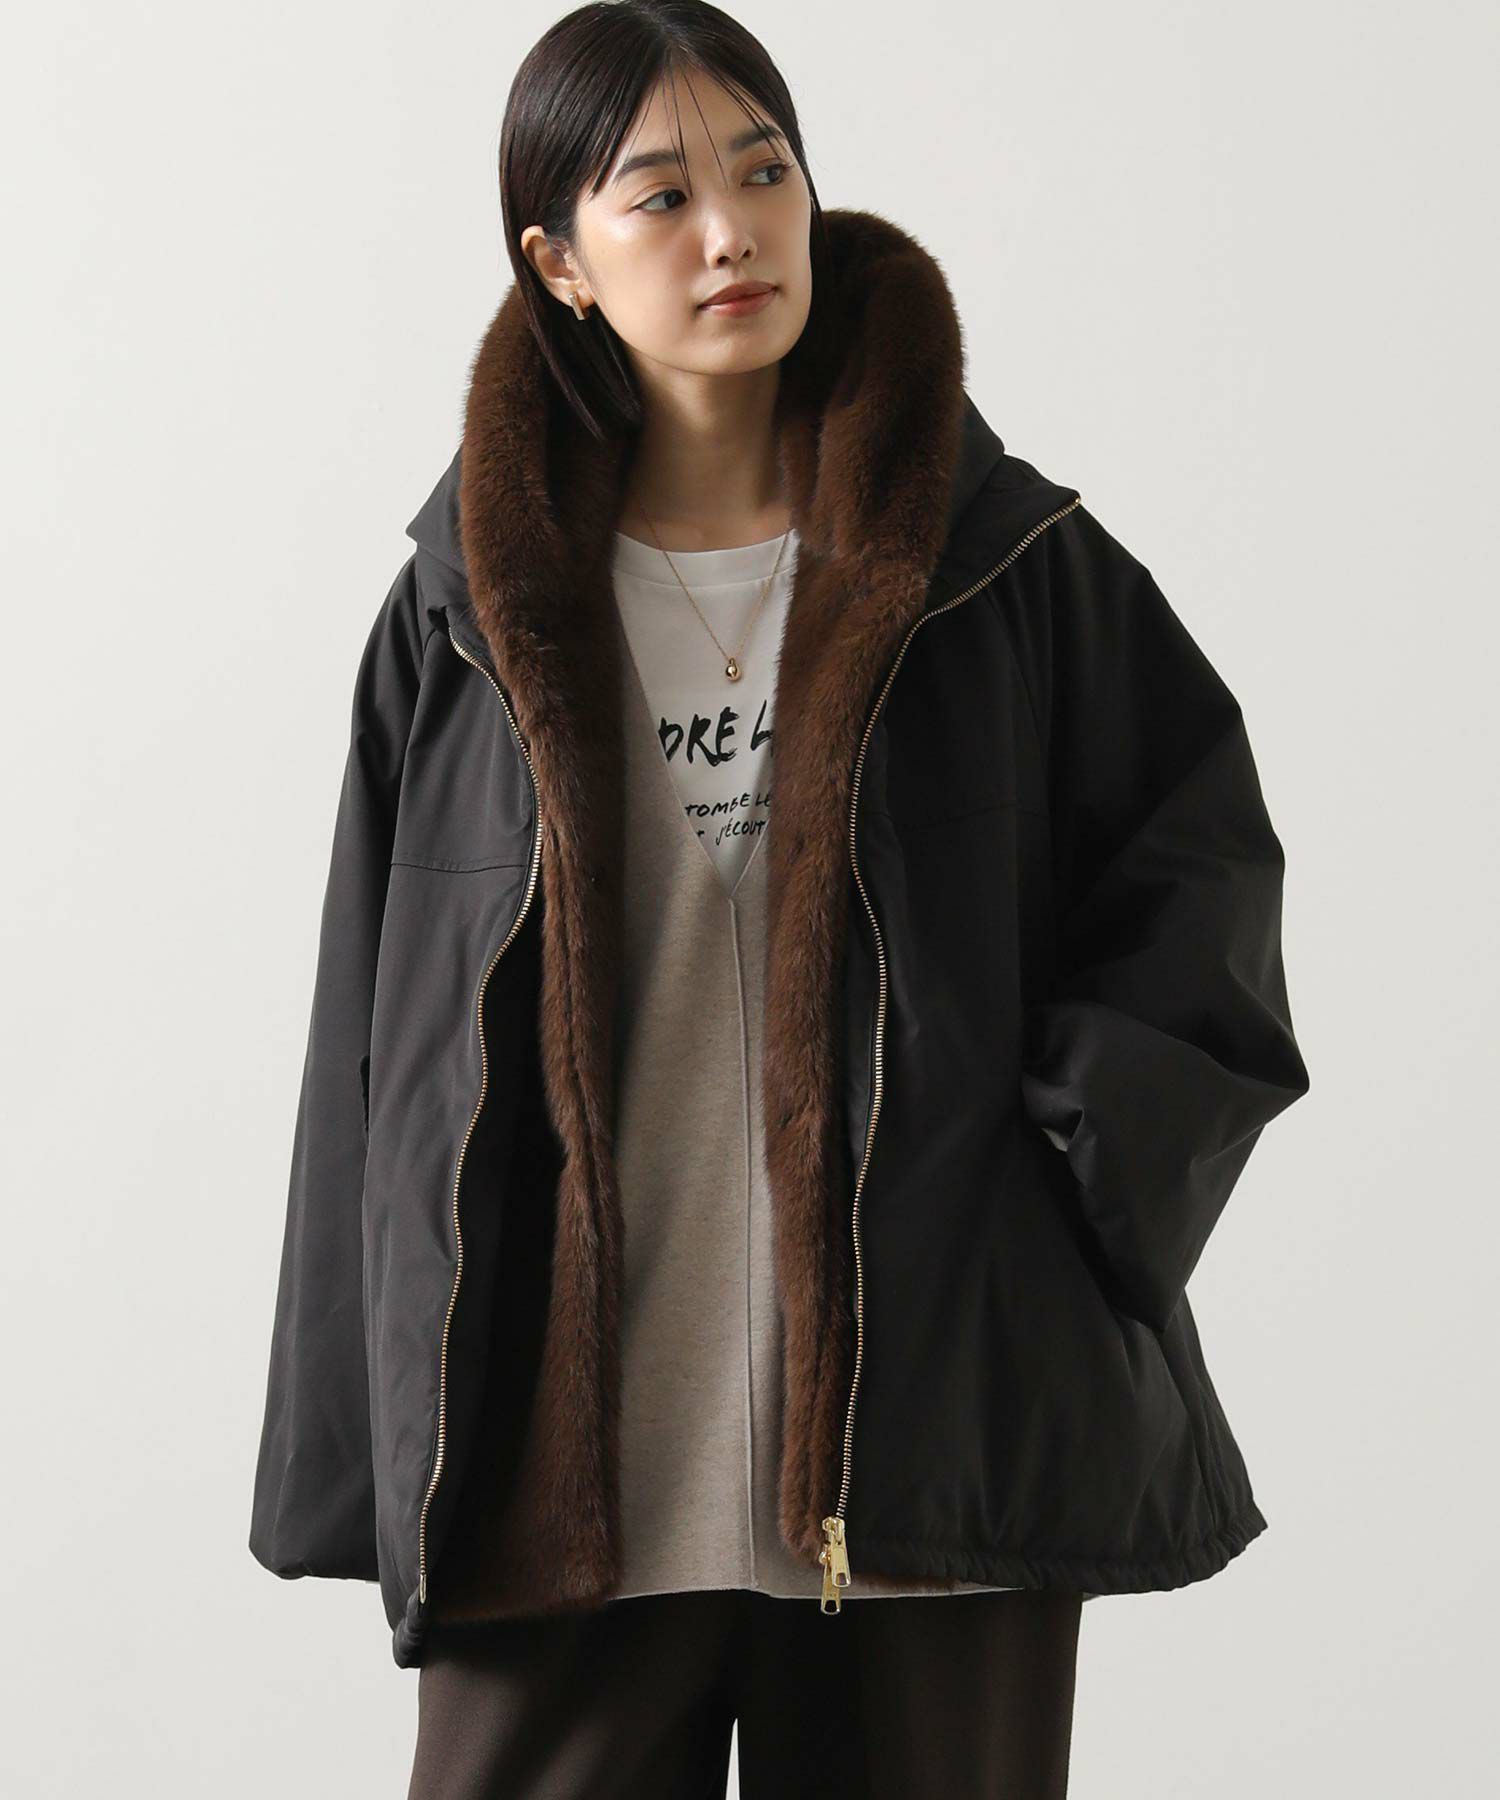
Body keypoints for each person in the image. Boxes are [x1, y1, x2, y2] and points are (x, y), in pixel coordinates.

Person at [248, 4, 1311, 1794]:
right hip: (567, 1471)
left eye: (764, 171)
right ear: (560, 262)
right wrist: (360, 1446)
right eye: (659, 195)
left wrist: (1064, 1190)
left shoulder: (1003, 567)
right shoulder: (464, 616)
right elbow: (375, 1052)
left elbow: (1203, 887)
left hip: (922, 1451)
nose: (731, 231)